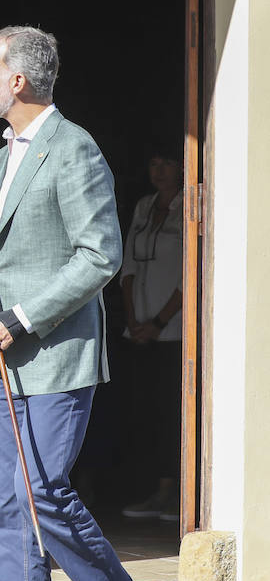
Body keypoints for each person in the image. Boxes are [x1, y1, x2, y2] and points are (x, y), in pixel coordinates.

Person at [0, 26, 155, 581]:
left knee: (44, 496)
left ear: (19, 80)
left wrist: (23, 319)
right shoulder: (2, 160)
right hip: (2, 365)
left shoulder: (74, 149)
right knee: (11, 503)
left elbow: (100, 257)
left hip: (58, 357)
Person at [119, 146, 183, 522]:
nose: (158, 171)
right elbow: (127, 266)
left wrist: (159, 323)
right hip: (138, 330)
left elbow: (190, 271)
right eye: (153, 163)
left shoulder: (190, 203)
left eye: (167, 163)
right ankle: (152, 491)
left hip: (172, 332)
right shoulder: (144, 205)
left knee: (169, 414)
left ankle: (172, 493)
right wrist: (134, 319)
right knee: (143, 413)